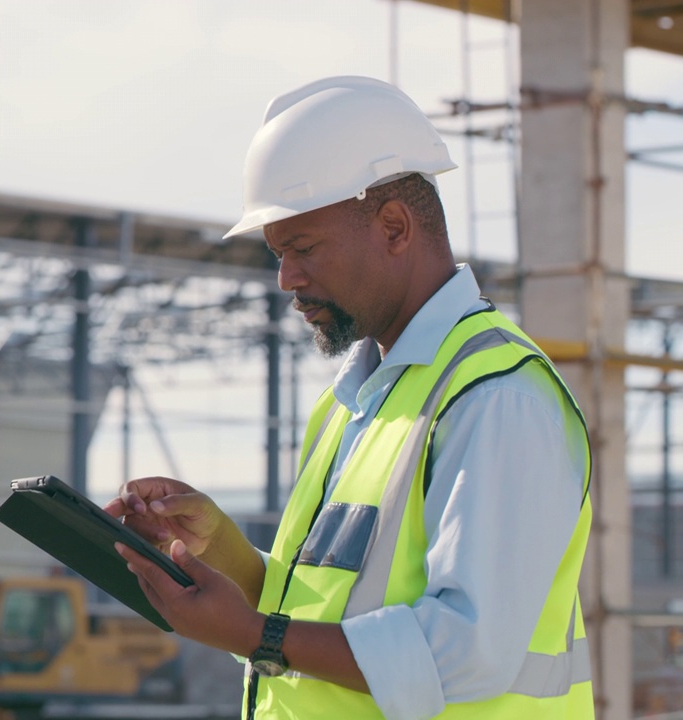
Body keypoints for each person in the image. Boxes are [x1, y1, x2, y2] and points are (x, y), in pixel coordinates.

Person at [104, 76, 594, 719]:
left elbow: (465, 652)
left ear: (394, 227)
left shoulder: (497, 397)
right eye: (279, 254)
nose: (286, 279)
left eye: (303, 249)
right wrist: (214, 548)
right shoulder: (351, 403)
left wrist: (254, 637)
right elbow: (317, 613)